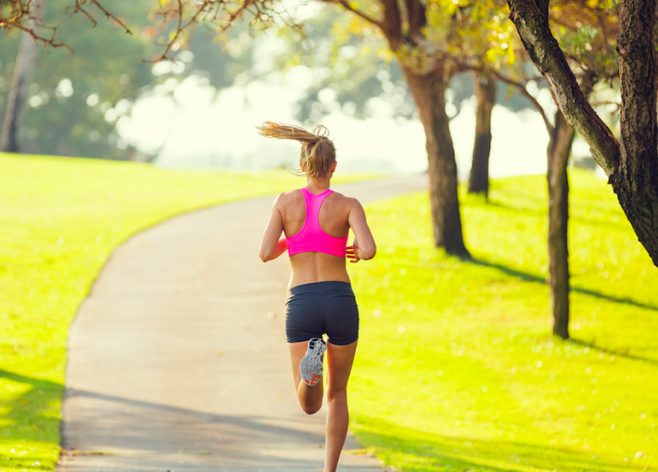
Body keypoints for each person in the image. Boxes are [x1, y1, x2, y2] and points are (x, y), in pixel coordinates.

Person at [257, 121, 376, 472]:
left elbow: (265, 252)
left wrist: (295, 238)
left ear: (304, 163)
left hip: (303, 302)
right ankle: (329, 471)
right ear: (334, 167)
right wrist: (351, 246)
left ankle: (311, 372)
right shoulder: (348, 204)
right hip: (340, 301)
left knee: (310, 403)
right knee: (337, 394)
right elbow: (368, 249)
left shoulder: (285, 202)